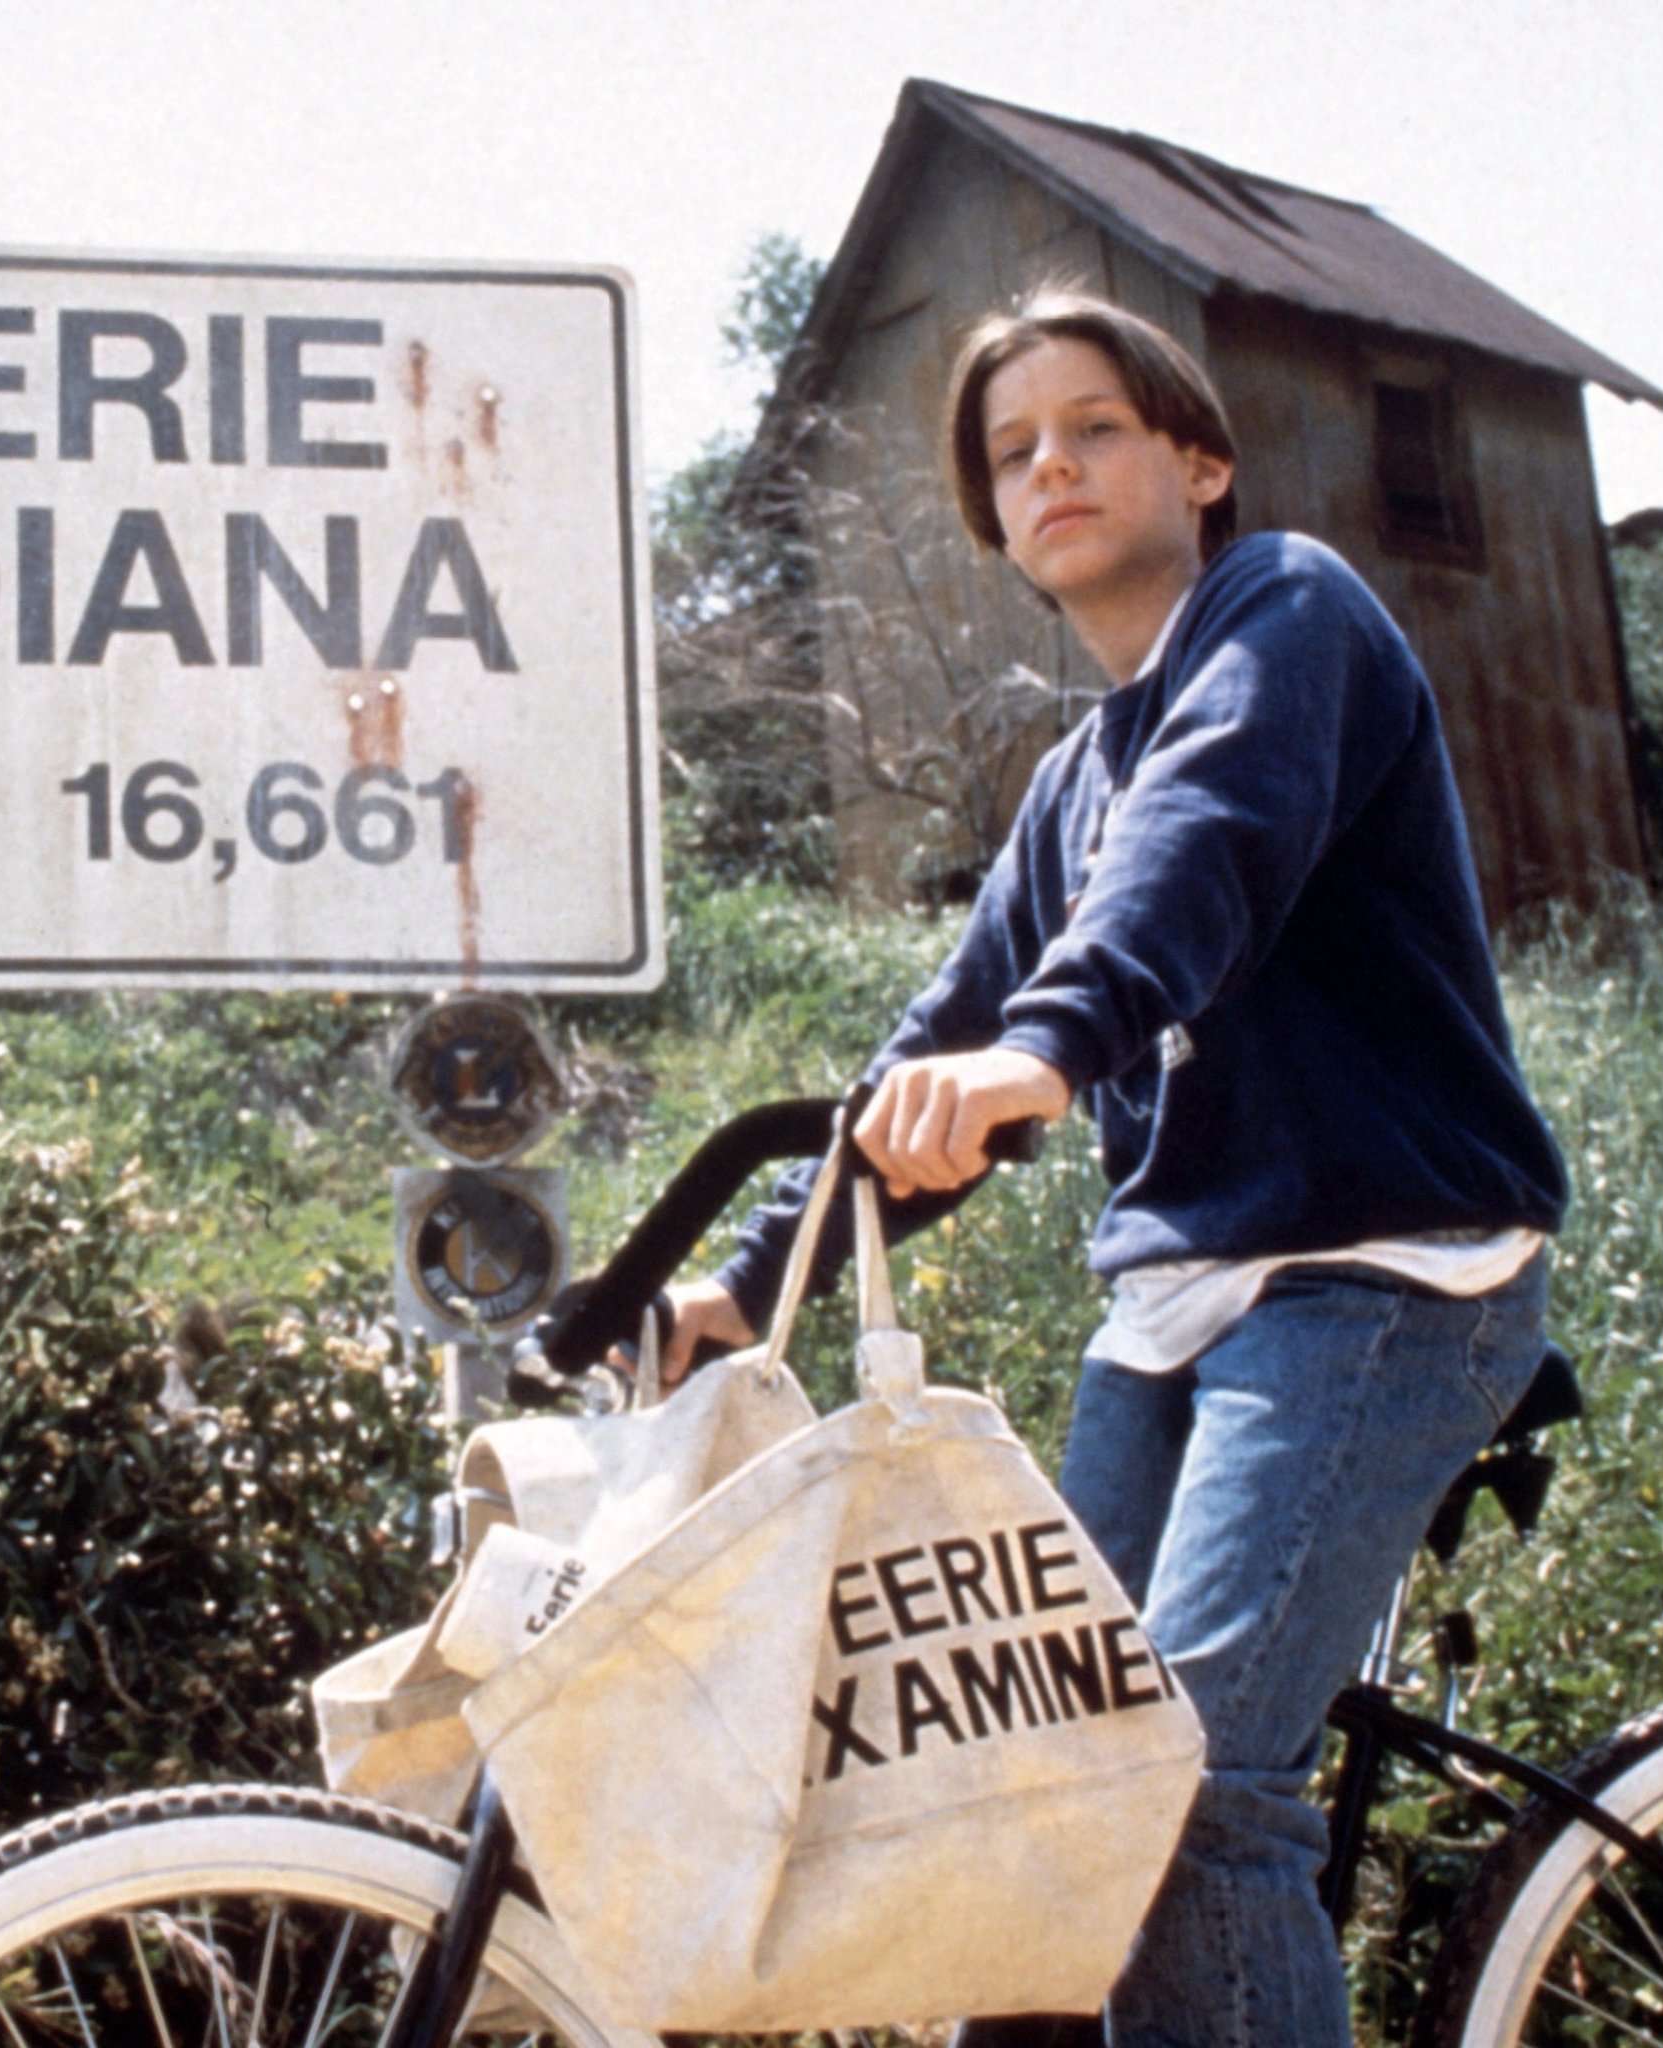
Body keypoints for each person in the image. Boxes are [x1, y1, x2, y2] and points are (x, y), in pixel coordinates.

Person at [651, 290, 1568, 2048]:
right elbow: (943, 1032)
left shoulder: (1289, 610)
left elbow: (1208, 836)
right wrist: (749, 1283)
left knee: (1189, 1782)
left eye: (1094, 429)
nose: (1051, 468)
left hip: (1384, 1274)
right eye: (1013, 455)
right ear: (995, 522)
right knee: (1040, 1781)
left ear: (1201, 463)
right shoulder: (1073, 784)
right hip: (1174, 1308)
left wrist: (1053, 1046)